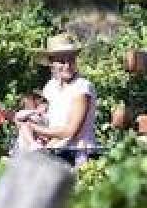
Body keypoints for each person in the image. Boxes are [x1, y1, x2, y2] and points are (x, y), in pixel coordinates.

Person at [24, 32, 98, 166]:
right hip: (56, 153)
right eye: (62, 61)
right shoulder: (50, 87)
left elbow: (71, 131)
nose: (67, 65)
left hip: (77, 154)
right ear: (51, 63)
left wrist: (32, 128)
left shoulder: (82, 88)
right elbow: (48, 122)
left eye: (71, 60)